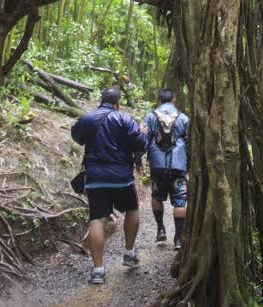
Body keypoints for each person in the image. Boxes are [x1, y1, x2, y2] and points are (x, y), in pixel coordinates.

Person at [71, 86, 146, 284]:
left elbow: (77, 137)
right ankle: (129, 253)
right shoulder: (124, 118)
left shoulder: (88, 118)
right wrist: (142, 133)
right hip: (122, 176)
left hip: (95, 177)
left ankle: (98, 270)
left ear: (101, 100)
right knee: (132, 209)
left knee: (97, 219)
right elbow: (141, 144)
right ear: (117, 103)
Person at [143, 88, 189, 249]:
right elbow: (189, 142)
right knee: (180, 201)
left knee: (157, 196)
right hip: (178, 164)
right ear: (174, 100)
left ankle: (161, 229)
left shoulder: (150, 117)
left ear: (159, 100)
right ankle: (178, 238)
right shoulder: (183, 118)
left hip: (157, 165)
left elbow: (144, 139)